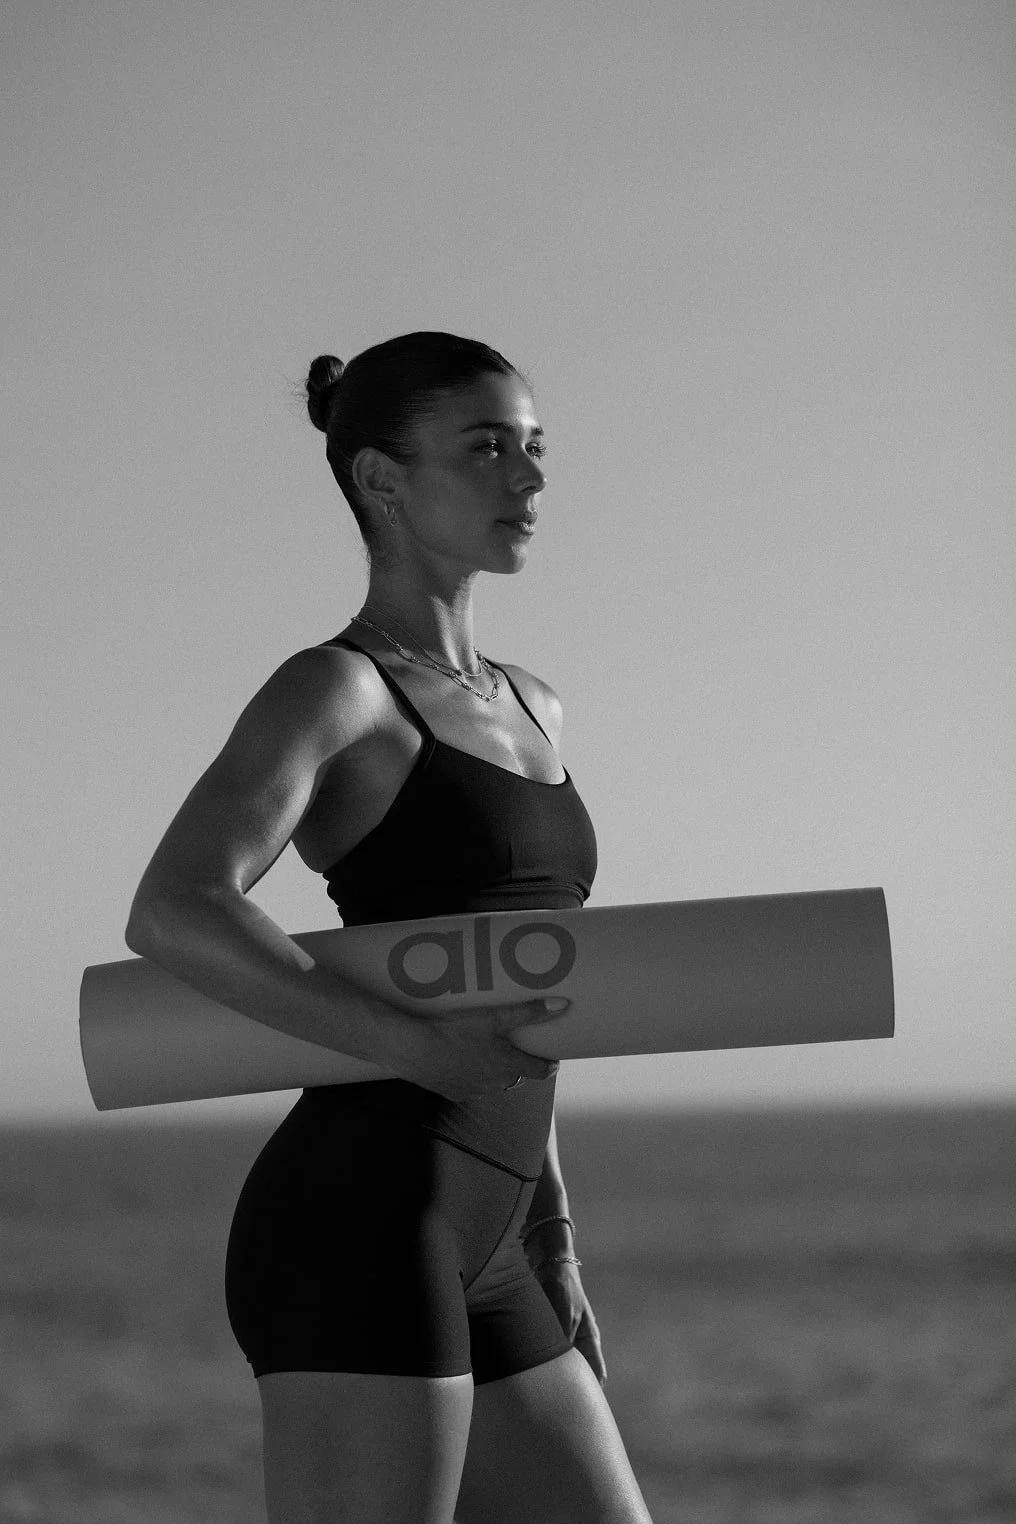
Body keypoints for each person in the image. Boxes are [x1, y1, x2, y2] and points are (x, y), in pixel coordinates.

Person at [124, 331, 654, 1524]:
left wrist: (554, 1237)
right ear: (380, 478)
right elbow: (177, 904)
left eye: (533, 448)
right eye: (484, 448)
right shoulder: (339, 690)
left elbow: (535, 999)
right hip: (361, 1216)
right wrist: (415, 1047)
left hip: (499, 1231)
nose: (526, 477)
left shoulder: (536, 704)